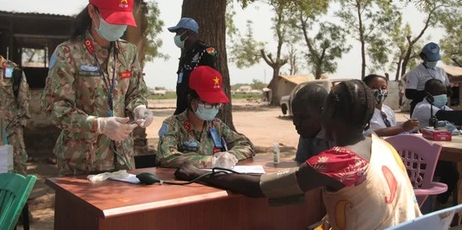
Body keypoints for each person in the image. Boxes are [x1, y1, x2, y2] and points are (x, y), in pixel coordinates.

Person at [175, 80, 421, 229]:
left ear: (329, 111)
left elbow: (259, 187)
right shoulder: (384, 147)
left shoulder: (337, 161)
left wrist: (201, 173)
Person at [42, 0, 153, 176]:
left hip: (123, 160)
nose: (119, 27)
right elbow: (56, 108)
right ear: (93, 12)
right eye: (113, 20)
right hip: (81, 163)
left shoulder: (128, 52)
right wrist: (99, 125)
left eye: (123, 21)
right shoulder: (68, 53)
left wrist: (139, 108)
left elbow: (136, 92)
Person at [157, 66, 255, 168]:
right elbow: (166, 157)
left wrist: (230, 156)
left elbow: (246, 145)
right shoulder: (173, 125)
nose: (214, 108)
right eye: (208, 104)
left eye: (217, 104)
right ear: (191, 99)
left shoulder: (216, 125)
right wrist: (211, 161)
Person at [0, 30, 31, 175]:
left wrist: (19, 127)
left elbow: (24, 100)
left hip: (11, 132)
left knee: (17, 170)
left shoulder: (13, 70)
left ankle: (20, 198)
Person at [412, 79, 461, 205]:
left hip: (439, 150)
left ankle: (443, 203)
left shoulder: (444, 107)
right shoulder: (422, 107)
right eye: (439, 92)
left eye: (444, 92)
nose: (443, 95)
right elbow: (449, 116)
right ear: (429, 94)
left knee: (453, 173)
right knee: (451, 174)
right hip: (420, 156)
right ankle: (440, 205)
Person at [168, 18, 217, 115]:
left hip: (197, 110)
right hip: (183, 108)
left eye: (178, 32)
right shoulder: (186, 54)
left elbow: (210, 82)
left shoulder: (206, 51)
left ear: (188, 32)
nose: (176, 36)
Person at [405, 42, 452, 116]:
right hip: (421, 107)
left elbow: (448, 90)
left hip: (440, 107)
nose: (433, 62)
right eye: (431, 60)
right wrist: (430, 92)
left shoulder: (441, 71)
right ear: (423, 57)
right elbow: (409, 94)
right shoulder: (415, 72)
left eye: (435, 60)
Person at [293, 83, 334, 164]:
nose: (296, 123)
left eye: (303, 117)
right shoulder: (307, 133)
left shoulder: (335, 138)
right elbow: (301, 164)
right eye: (294, 116)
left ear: (323, 113)